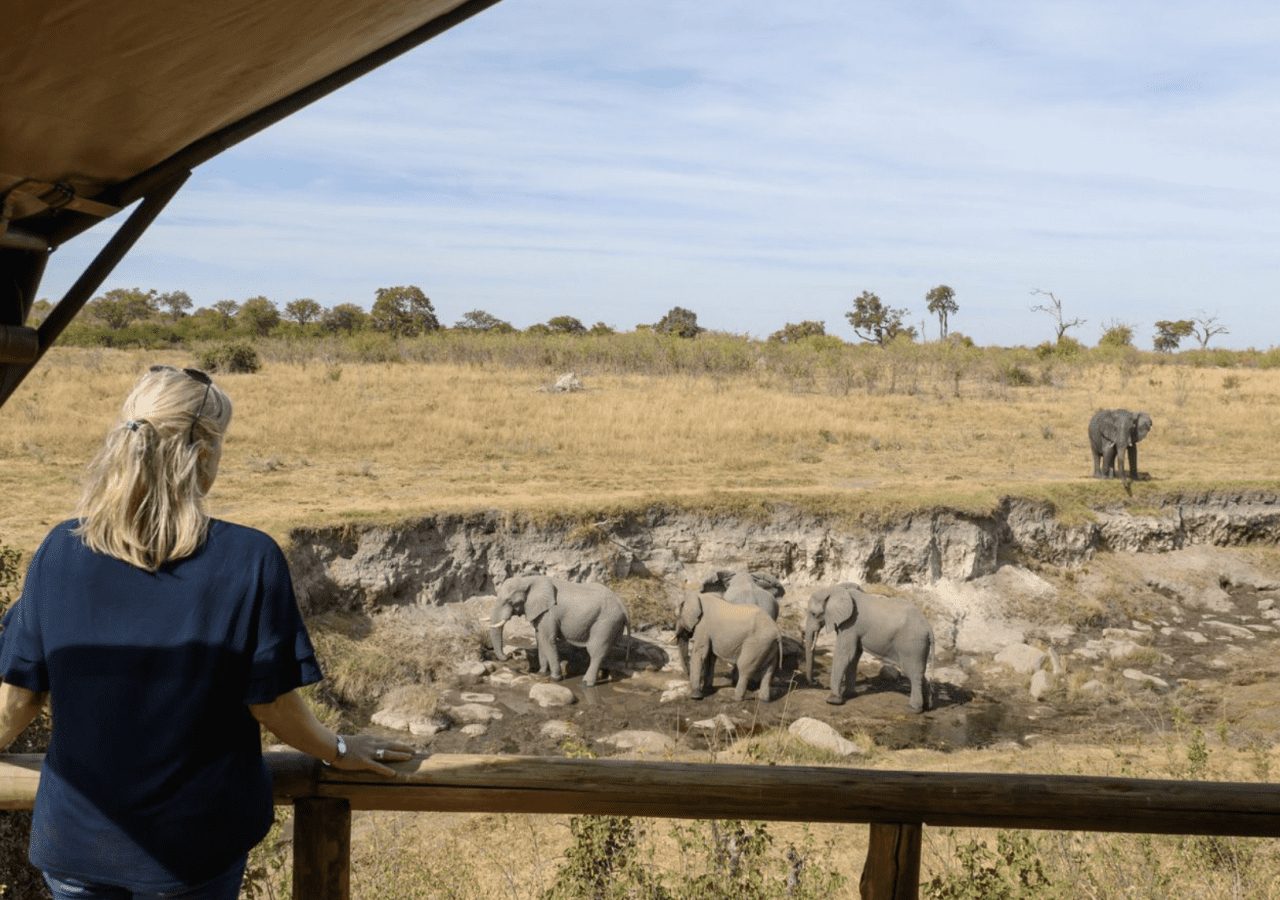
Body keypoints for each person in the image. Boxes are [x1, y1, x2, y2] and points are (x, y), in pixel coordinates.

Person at [0, 364, 413, 899]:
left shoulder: (59, 550)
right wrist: (337, 749)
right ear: (202, 454)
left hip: (75, 845)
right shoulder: (249, 558)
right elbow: (273, 706)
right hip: (192, 852)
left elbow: (17, 701)